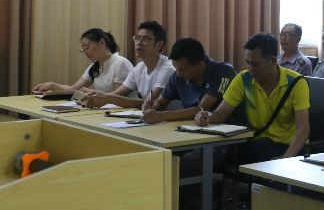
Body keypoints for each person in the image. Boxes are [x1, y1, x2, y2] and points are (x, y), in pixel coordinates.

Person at [196, 32, 310, 162]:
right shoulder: (244, 79)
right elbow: (220, 114)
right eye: (248, 63)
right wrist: (207, 116)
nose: (250, 69)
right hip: (255, 143)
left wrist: (285, 159)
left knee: (259, 150)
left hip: (287, 147)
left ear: (273, 61)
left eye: (255, 64)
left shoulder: (296, 82)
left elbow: (303, 128)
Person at [80, 21, 175, 108]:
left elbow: (151, 102)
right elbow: (118, 93)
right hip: (150, 116)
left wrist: (108, 98)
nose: (139, 43)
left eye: (146, 39)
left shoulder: (168, 69)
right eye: (137, 38)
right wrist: (97, 95)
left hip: (169, 118)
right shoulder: (139, 68)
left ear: (159, 45)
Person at [142, 37, 234, 123]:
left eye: (183, 70)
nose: (178, 74)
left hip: (229, 129)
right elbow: (160, 102)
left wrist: (162, 116)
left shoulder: (224, 72)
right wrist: (153, 107)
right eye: (176, 68)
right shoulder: (178, 76)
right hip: (192, 127)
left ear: (200, 64)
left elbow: (202, 109)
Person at [32, 28, 133, 96]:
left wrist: (94, 93)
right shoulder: (95, 66)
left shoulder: (120, 63)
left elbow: (118, 96)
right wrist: (53, 86)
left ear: (102, 43)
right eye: (83, 49)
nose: (85, 52)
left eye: (87, 47)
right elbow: (74, 89)